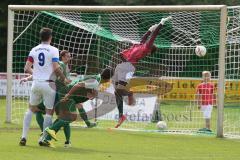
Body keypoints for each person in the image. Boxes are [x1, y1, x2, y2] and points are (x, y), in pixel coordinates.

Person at [112, 16, 172, 128]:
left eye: (150, 47)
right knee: (116, 92)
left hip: (128, 68)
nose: (149, 45)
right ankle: (121, 116)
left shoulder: (145, 48)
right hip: (124, 66)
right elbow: (146, 36)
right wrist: (149, 29)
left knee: (119, 90)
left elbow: (153, 37)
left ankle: (129, 93)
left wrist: (161, 23)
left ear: (149, 50)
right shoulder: (141, 45)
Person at [19, 28, 71, 146]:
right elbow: (56, 68)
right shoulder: (53, 50)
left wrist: (36, 74)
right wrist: (64, 79)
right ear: (50, 37)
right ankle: (43, 139)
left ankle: (23, 137)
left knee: (31, 109)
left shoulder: (34, 49)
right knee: (48, 112)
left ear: (40, 37)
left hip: (36, 83)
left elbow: (26, 68)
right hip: (49, 84)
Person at [41, 68, 112, 147]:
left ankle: (49, 139)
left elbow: (91, 89)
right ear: (108, 79)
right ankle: (51, 129)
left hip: (69, 94)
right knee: (71, 117)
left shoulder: (96, 78)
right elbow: (78, 85)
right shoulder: (95, 82)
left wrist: (94, 94)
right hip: (68, 94)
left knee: (65, 117)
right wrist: (68, 94)